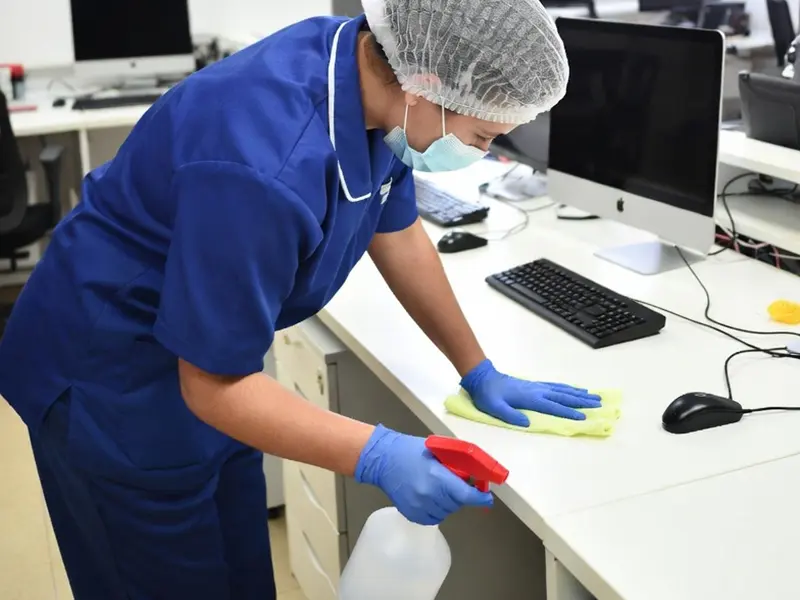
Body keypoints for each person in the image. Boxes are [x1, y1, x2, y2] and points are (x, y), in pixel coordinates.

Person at [0, 0, 602, 598]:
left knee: (238, 575)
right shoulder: (263, 163)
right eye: (481, 136)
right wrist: (379, 455)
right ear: (428, 86)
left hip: (210, 356)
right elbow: (212, 385)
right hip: (106, 378)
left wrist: (477, 368)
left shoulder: (369, 77)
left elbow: (399, 231)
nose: (482, 150)